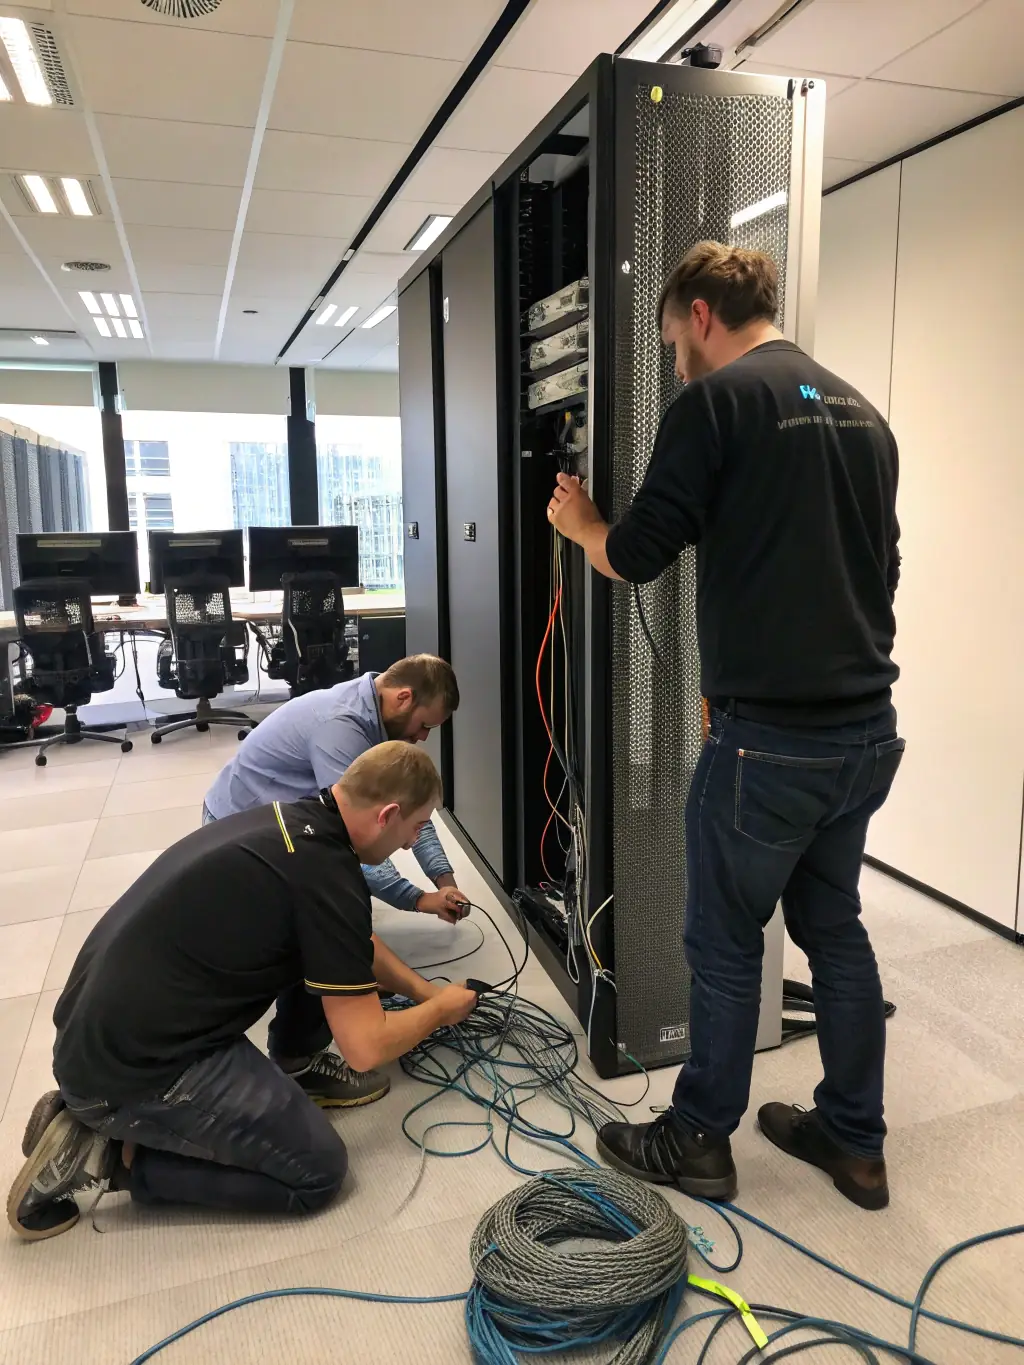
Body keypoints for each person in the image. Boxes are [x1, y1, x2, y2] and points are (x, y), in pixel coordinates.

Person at [548, 241, 902, 1211]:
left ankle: (698, 1139)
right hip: (866, 732)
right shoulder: (864, 415)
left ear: (701, 315)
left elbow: (636, 554)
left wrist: (580, 523)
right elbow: (881, 568)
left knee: (723, 942)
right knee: (833, 928)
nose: (675, 362)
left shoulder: (715, 403)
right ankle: (855, 1140)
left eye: (673, 340)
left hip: (768, 743)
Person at [9, 743, 480, 1241]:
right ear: (387, 815)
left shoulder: (296, 822)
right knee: (318, 1172)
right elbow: (366, 1047)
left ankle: (296, 1063)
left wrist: (424, 992)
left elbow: (351, 940)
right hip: (138, 1069)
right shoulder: (327, 874)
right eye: (415, 827)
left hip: (101, 1032)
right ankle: (112, 1156)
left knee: (326, 956)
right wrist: (441, 1011)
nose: (410, 844)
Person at [204, 654, 469, 924]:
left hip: (279, 819)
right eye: (424, 725)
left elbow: (413, 807)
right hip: (234, 830)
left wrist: (445, 884)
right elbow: (351, 837)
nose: (423, 736)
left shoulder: (376, 710)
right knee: (321, 918)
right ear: (403, 698)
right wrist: (418, 899)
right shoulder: (342, 727)